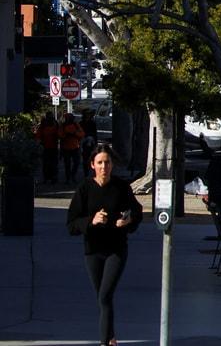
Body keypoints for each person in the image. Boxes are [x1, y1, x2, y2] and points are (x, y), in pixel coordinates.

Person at [67, 143, 142, 346]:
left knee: (105, 295)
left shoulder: (121, 187)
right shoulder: (85, 188)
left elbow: (137, 211)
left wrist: (128, 221)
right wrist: (91, 221)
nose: (104, 167)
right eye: (99, 163)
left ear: (112, 165)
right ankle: (110, 337)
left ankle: (104, 341)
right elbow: (71, 224)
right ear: (92, 165)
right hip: (93, 250)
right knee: (103, 298)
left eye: (107, 163)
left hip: (116, 249)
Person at [60, 112, 85, 182]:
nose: (68, 119)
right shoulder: (63, 125)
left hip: (75, 147)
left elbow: (82, 134)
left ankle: (73, 175)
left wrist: (74, 133)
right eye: (67, 118)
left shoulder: (76, 125)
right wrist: (66, 134)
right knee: (67, 164)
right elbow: (60, 135)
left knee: (76, 163)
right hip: (66, 148)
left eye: (70, 118)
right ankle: (68, 178)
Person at [36, 112, 60, 184]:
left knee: (51, 163)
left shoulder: (54, 124)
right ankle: (49, 178)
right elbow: (39, 135)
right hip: (47, 147)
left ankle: (52, 177)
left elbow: (60, 134)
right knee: (48, 164)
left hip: (52, 147)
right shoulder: (44, 125)